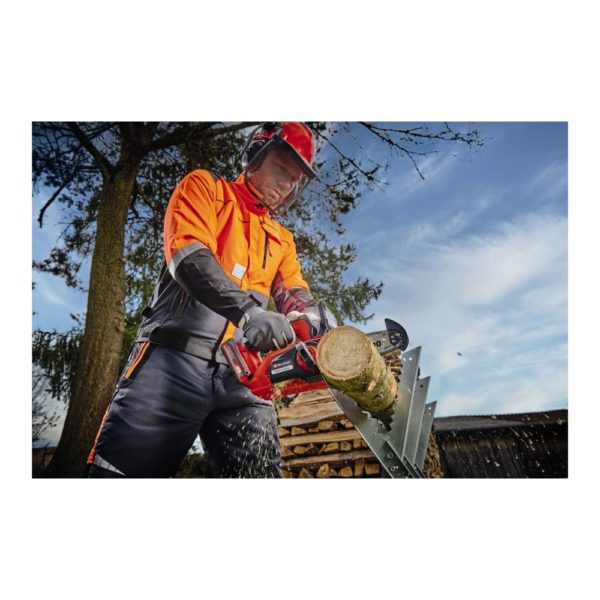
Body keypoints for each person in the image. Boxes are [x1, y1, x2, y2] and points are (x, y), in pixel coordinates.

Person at [87, 122, 322, 478]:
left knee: (257, 475)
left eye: (294, 179)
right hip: (173, 360)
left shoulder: (281, 238)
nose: (285, 183)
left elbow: (292, 289)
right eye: (280, 168)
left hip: (243, 376)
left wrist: (311, 315)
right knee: (124, 473)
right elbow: (188, 256)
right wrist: (249, 312)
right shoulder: (206, 189)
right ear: (255, 155)